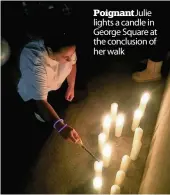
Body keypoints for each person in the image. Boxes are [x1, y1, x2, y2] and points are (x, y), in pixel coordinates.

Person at [17, 33, 82, 144]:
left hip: (53, 85)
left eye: (72, 54)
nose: (70, 59)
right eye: (66, 57)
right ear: (51, 51)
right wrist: (61, 127)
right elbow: (41, 101)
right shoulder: (36, 62)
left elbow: (73, 64)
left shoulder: (67, 50)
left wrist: (71, 86)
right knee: (43, 120)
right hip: (34, 95)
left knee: (59, 110)